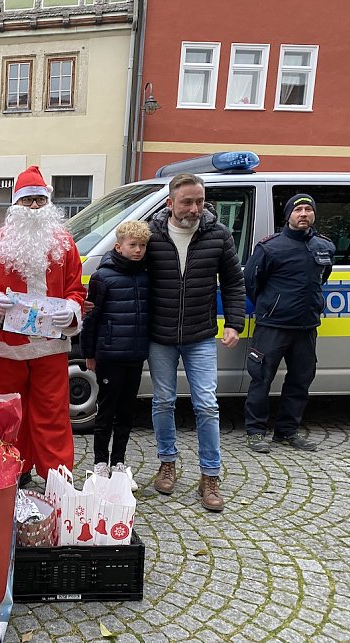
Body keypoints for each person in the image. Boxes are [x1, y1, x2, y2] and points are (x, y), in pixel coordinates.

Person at [0, 165, 86, 486]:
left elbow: (76, 287)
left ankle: (55, 474)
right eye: (27, 201)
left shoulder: (64, 244)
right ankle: (15, 468)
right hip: (7, 344)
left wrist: (72, 310)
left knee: (52, 411)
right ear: (16, 204)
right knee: (9, 410)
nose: (34, 207)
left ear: (48, 203)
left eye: (39, 200)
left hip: (50, 346)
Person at [146, 173, 245, 512]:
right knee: (162, 401)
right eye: (187, 201)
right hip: (160, 334)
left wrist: (234, 322)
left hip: (200, 334)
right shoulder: (152, 235)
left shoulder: (218, 235)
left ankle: (210, 475)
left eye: (199, 201)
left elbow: (233, 282)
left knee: (206, 404)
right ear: (170, 203)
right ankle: (167, 461)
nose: (194, 208)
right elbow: (127, 270)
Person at [243, 193, 335, 453]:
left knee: (300, 380)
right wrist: (273, 305)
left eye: (308, 209)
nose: (303, 213)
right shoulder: (270, 247)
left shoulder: (324, 246)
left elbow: (323, 276)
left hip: (306, 327)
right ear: (288, 216)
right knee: (261, 378)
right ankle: (255, 432)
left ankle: (287, 432)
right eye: (298, 210)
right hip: (273, 325)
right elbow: (252, 282)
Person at [80, 220, 150, 484]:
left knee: (126, 412)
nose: (138, 250)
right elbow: (92, 318)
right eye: (133, 245)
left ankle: (118, 461)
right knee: (106, 410)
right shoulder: (102, 277)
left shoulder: (146, 275)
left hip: (135, 354)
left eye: (142, 245)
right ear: (119, 246)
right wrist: (89, 352)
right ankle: (100, 462)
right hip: (109, 355)